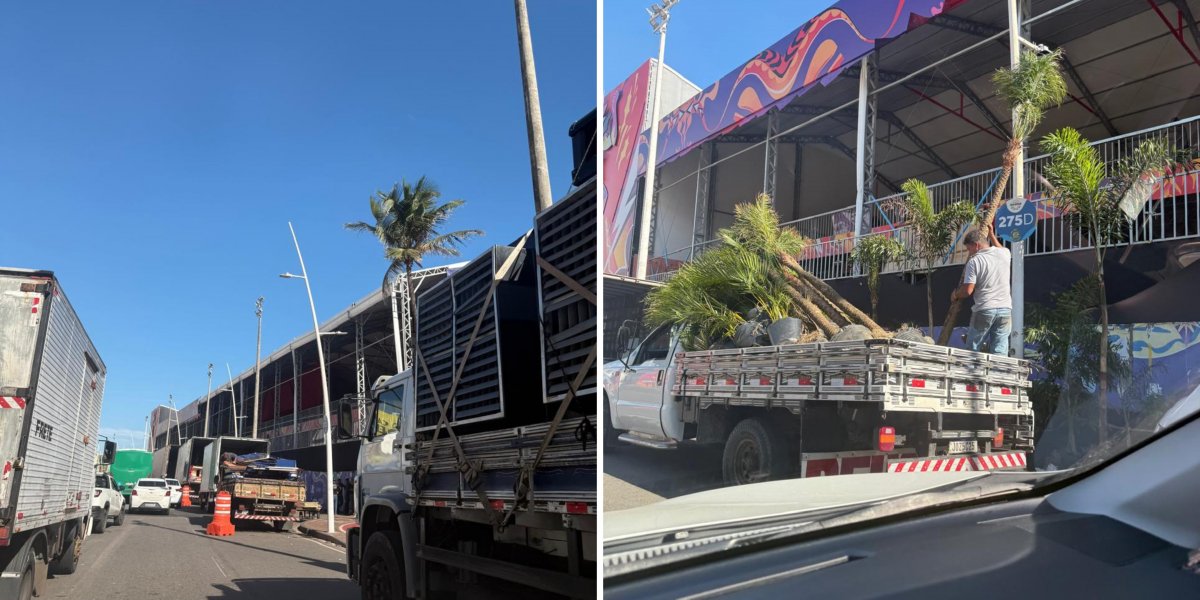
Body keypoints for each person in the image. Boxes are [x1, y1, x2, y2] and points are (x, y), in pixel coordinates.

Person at [952, 224, 1012, 355]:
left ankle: (971, 374)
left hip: (985, 309)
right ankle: (999, 375)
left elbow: (967, 291)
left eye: (969, 249)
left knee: (973, 348)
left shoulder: (974, 261)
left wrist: (956, 294)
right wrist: (992, 235)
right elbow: (999, 248)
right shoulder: (1005, 253)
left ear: (976, 245)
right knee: (1000, 350)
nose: (969, 252)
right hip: (1005, 309)